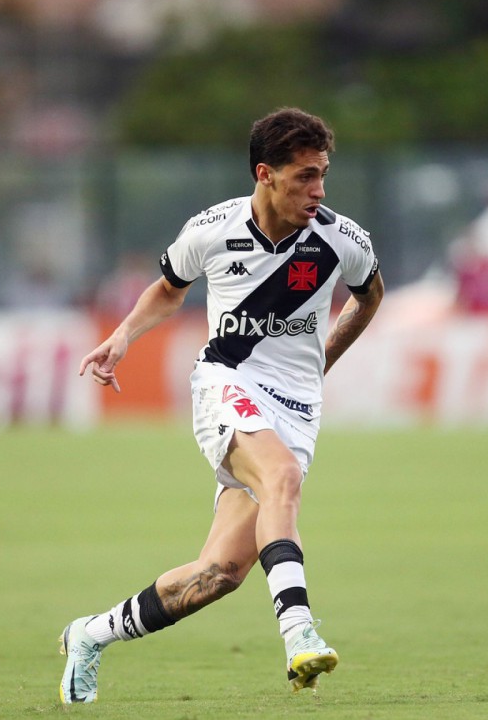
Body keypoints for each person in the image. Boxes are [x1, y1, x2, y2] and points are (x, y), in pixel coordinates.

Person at [59, 107, 384, 703]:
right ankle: (299, 635)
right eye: (303, 177)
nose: (318, 191)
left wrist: (324, 359)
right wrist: (122, 337)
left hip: (297, 409)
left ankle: (89, 635)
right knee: (282, 476)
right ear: (265, 173)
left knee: (218, 575)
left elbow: (369, 297)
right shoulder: (213, 229)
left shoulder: (341, 240)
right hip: (224, 383)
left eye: (323, 175)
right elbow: (167, 290)